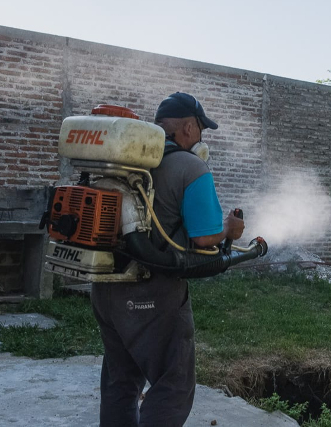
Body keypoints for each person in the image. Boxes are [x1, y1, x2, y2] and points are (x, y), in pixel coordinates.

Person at [90, 92, 244, 426]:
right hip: (153, 294)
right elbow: (204, 237)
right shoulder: (191, 167)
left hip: (105, 288)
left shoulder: (128, 162)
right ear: (189, 127)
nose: (202, 137)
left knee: (121, 380)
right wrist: (230, 230)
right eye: (202, 129)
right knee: (172, 385)